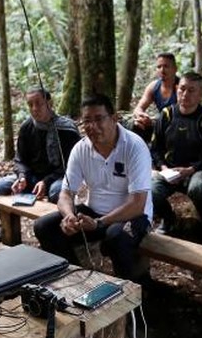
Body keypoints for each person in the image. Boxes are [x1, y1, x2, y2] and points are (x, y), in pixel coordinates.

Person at [34, 94, 152, 280]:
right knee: (44, 227)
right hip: (95, 213)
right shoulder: (81, 149)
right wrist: (69, 216)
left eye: (99, 119)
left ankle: (136, 293)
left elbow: (138, 203)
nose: (92, 126)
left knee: (116, 237)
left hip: (134, 216)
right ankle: (75, 279)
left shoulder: (134, 146)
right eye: (87, 120)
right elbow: (65, 194)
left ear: (114, 119)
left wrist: (100, 222)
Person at [0, 87, 81, 241]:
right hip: (32, 178)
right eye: (30, 105)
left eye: (38, 103)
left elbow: (71, 165)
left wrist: (46, 182)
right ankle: (6, 229)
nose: (34, 109)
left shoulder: (67, 129)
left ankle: (60, 233)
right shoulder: (27, 127)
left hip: (56, 178)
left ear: (49, 103)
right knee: (1, 185)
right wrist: (22, 176)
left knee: (57, 191)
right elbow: (20, 159)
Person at [149, 71, 202, 239]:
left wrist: (190, 170)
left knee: (198, 188)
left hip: (196, 171)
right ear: (176, 89)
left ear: (201, 94)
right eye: (182, 89)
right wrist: (164, 168)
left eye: (191, 90)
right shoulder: (167, 114)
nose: (185, 94)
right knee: (150, 190)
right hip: (170, 171)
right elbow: (155, 149)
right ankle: (169, 220)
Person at [130, 52, 179, 141]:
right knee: (137, 125)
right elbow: (138, 108)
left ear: (175, 69)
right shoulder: (153, 87)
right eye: (159, 67)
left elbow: (183, 115)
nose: (162, 70)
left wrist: (154, 121)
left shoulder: (182, 87)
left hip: (180, 127)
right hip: (160, 125)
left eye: (166, 66)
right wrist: (142, 116)